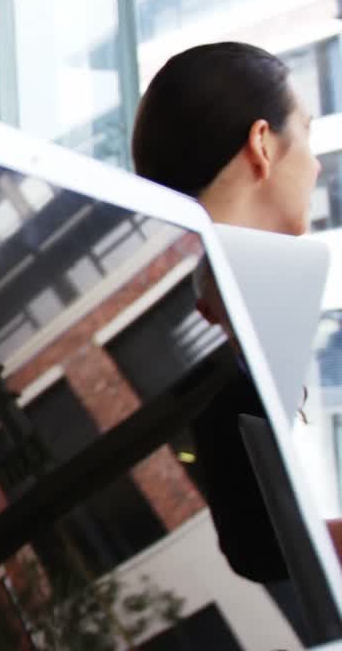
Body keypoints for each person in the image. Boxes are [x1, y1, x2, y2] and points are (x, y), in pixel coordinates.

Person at [132, 40, 319, 636]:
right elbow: (272, 557)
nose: (314, 164)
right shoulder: (230, 359)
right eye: (307, 134)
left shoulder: (233, 322)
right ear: (262, 144)